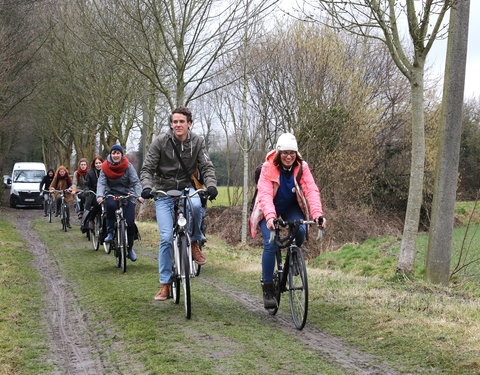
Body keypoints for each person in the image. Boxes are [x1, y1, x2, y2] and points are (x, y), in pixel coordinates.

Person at [140, 106, 218, 301]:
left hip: (186, 188)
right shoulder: (160, 142)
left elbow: (207, 166)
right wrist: (148, 187)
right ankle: (165, 284)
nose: (177, 125)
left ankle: (194, 242)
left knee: (198, 205)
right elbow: (147, 169)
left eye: (181, 121)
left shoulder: (197, 142)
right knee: (166, 238)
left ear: (189, 123)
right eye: (174, 121)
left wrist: (211, 185)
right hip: (163, 191)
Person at [249, 133, 326, 309]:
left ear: (297, 154)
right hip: (269, 208)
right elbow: (265, 195)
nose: (289, 156)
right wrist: (270, 218)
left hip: (291, 207)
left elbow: (311, 190)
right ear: (278, 153)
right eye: (285, 153)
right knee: (271, 244)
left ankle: (293, 258)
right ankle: (268, 287)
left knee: (299, 229)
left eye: (292, 152)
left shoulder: (302, 167)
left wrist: (317, 215)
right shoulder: (268, 168)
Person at [96, 145, 144, 261]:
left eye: (118, 153)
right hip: (112, 194)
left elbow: (135, 182)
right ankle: (110, 232)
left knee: (130, 222)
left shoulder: (128, 166)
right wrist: (100, 195)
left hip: (127, 195)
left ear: (121, 155)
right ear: (111, 155)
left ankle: (130, 248)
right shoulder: (105, 167)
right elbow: (101, 183)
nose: (116, 155)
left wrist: (139, 195)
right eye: (114, 153)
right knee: (111, 206)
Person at [81, 156, 104, 233]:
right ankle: (91, 219)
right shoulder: (90, 173)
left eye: (99, 163)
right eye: (96, 163)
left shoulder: (106, 172)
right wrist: (87, 190)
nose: (98, 165)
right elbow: (86, 184)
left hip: (104, 193)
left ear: (102, 163)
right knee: (98, 203)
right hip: (93, 193)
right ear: (94, 164)